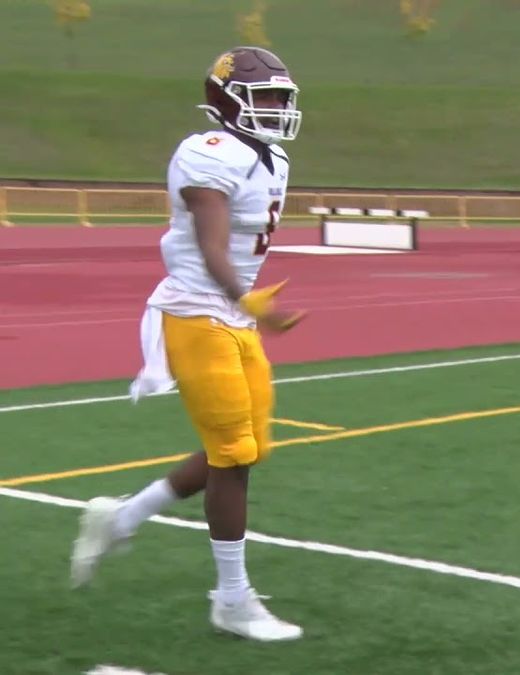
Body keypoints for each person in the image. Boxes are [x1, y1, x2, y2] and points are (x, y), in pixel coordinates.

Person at [69, 46, 307, 642]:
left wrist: (249, 309)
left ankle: (120, 518)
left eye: (282, 98)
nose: (277, 109)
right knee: (232, 454)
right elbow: (212, 245)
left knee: (247, 452)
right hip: (198, 313)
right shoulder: (208, 152)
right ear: (227, 101)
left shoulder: (270, 157)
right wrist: (248, 298)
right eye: (266, 98)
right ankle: (231, 599)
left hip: (235, 319)